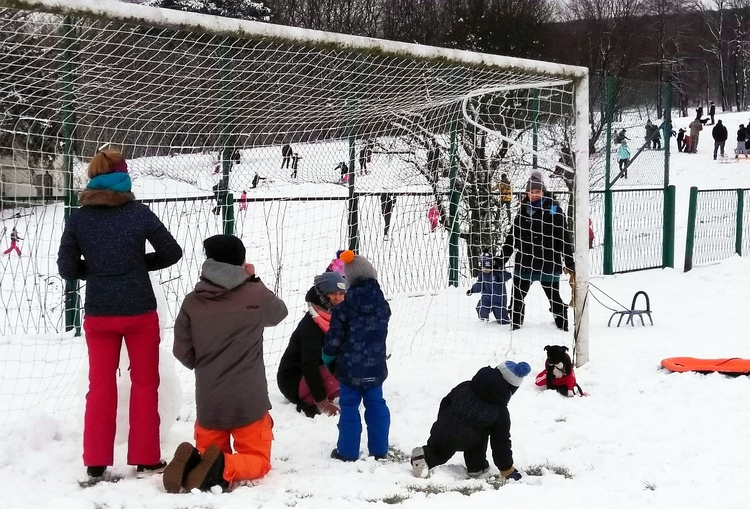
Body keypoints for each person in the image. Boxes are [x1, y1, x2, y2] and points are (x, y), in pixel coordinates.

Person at [56, 148, 183, 479]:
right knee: (145, 384)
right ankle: (146, 457)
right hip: (139, 311)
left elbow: (66, 268)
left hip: (99, 314)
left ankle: (96, 461)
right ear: (124, 177)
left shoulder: (80, 218)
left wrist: (99, 271)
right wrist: (137, 267)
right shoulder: (138, 213)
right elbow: (172, 252)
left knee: (100, 386)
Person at [165, 234, 288, 493]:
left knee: (210, 451)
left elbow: (181, 351)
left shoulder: (192, 301)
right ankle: (221, 467)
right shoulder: (255, 294)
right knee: (258, 460)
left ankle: (198, 464)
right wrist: (253, 279)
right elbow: (279, 313)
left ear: (208, 262)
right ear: (240, 262)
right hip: (249, 399)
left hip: (210, 400)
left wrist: (207, 365)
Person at [410, 360, 531, 480]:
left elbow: (446, 401)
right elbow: (500, 442)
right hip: (466, 439)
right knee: (480, 435)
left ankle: (425, 457)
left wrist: (442, 421)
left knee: (439, 452)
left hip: (443, 427)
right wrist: (507, 469)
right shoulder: (500, 412)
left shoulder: (466, 385)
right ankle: (476, 466)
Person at [323, 250, 391, 462]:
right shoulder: (383, 306)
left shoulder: (343, 309)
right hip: (375, 368)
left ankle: (347, 451)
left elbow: (333, 340)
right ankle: (379, 450)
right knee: (376, 404)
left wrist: (328, 357)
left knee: (349, 406)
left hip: (349, 368)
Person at [500, 171, 575, 332]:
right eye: (531, 192)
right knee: (517, 298)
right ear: (527, 192)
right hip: (525, 264)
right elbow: (512, 238)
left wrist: (569, 262)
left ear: (544, 192)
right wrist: (501, 259)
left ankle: (562, 328)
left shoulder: (553, 209)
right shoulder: (522, 211)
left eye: (538, 192)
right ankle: (515, 327)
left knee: (554, 298)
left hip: (548, 263)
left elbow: (564, 237)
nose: (534, 195)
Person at [277, 272, 346, 418]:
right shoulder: (312, 322)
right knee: (343, 370)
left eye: (341, 293)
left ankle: (328, 391)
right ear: (323, 294)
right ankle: (313, 400)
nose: (338, 298)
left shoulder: (335, 317)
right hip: (293, 379)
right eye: (332, 293)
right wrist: (322, 402)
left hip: (316, 372)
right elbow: (309, 364)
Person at [466, 252, 511, 324]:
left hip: (498, 299)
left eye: (487, 268)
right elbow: (479, 284)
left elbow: (507, 276)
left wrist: (501, 269)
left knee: (501, 317)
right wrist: (472, 290)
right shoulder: (482, 275)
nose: (485, 270)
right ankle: (483, 321)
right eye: (483, 268)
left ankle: (505, 322)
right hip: (486, 298)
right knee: (481, 308)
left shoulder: (497, 273)